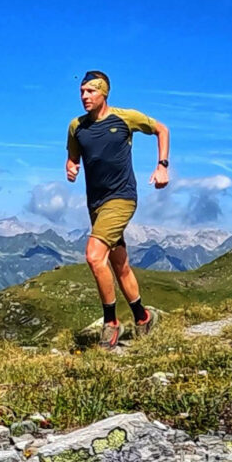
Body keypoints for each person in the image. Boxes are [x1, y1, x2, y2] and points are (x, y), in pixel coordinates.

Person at [66, 70, 170, 349]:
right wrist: (71, 166)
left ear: (104, 93)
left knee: (93, 256)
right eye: (82, 91)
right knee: (119, 263)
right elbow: (73, 156)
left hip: (122, 198)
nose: (85, 96)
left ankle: (111, 323)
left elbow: (162, 129)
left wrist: (162, 166)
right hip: (96, 204)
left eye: (91, 91)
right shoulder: (77, 126)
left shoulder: (125, 118)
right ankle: (143, 317)